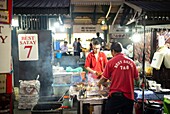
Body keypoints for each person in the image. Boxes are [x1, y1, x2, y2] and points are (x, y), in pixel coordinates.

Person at [98, 42, 140, 114]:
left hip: (115, 97)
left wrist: (99, 83)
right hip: (129, 97)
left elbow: (104, 78)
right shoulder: (131, 62)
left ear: (113, 51)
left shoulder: (111, 62)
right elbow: (137, 79)